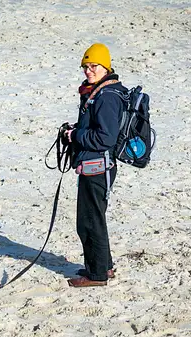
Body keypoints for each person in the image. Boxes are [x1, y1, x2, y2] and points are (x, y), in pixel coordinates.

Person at [64, 43, 126, 287]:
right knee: (94, 218)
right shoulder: (100, 91)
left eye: (94, 66)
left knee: (89, 220)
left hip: (98, 166)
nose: (88, 71)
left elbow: (105, 138)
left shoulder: (106, 96)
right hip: (96, 164)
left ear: (106, 66)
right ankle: (103, 266)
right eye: (86, 67)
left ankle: (97, 275)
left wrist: (75, 135)